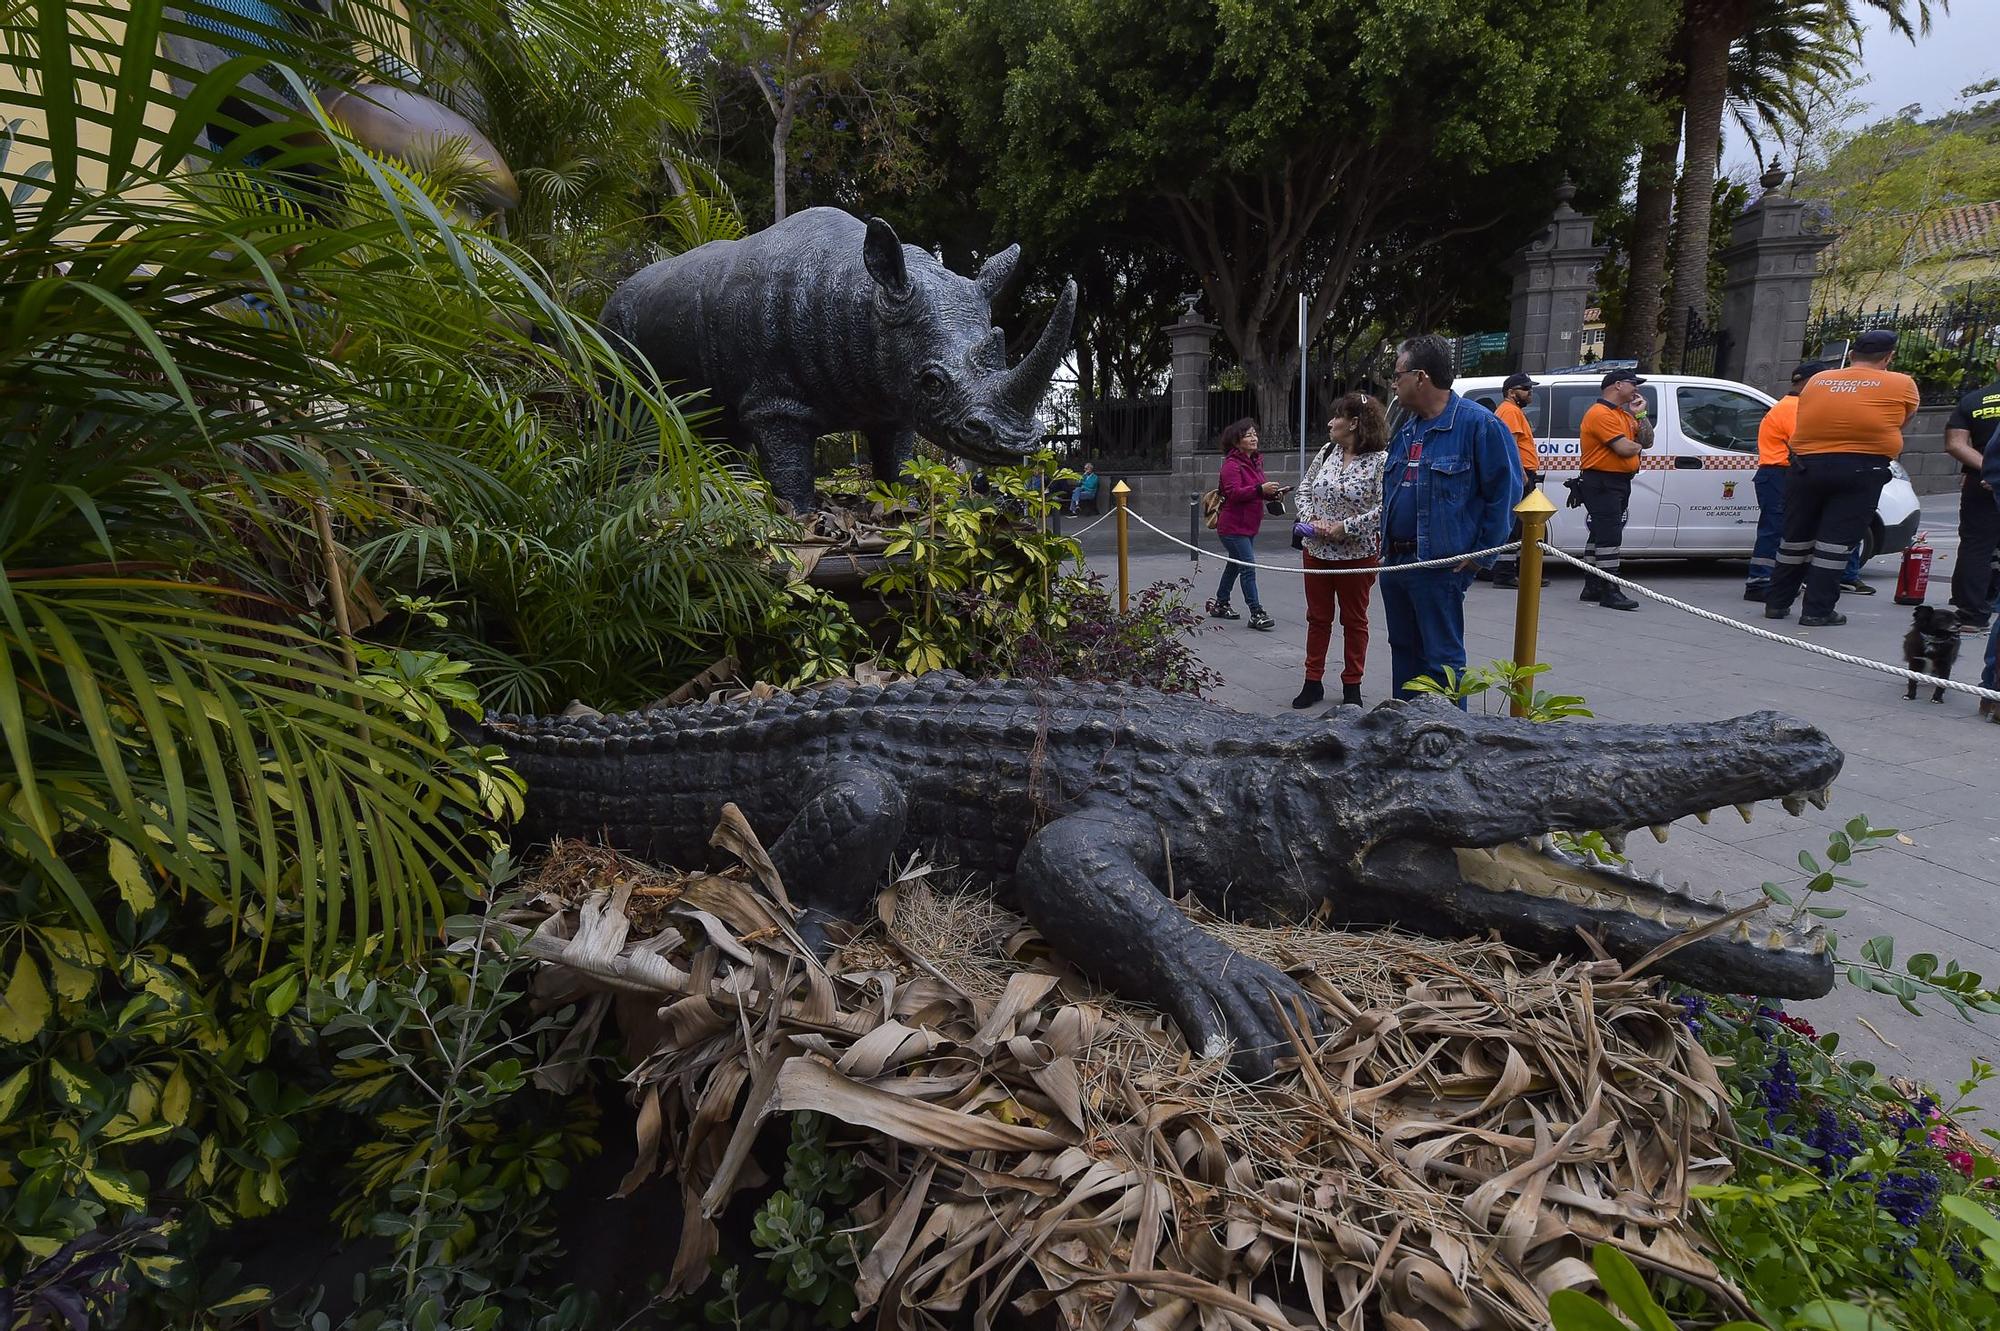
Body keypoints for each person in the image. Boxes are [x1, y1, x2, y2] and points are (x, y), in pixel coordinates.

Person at [1379, 335, 1522, 698]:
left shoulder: (1479, 426)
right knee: (1404, 654)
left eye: (1397, 374)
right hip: (1397, 564)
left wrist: (1479, 556)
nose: (1394, 383)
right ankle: (1407, 736)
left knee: (1441, 660)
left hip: (1439, 568)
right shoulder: (1406, 428)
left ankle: (1448, 742)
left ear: (1421, 377)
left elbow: (1505, 493)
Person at [1765, 329, 1919, 627]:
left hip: (1806, 466)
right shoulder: (1902, 383)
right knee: (1835, 545)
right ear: (1889, 357)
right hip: (1861, 469)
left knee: (1794, 539)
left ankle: (1777, 603)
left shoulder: (1819, 380)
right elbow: (1902, 420)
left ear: (1851, 355)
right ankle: (1817, 611)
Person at [1292, 392, 1388, 710]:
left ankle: (1352, 686)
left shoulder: (1380, 461)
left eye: (1337, 417)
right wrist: (1311, 519)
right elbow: (1305, 487)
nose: (1331, 423)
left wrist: (1345, 527)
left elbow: (1383, 508)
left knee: (1354, 620)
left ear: (1355, 423)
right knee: (1317, 618)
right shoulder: (1328, 451)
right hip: (1316, 550)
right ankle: (1312, 681)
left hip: (1357, 554)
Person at [1745, 361, 1823, 602]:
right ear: (1810, 382)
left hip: (1778, 473)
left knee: (1779, 528)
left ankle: (1768, 580)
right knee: (1775, 529)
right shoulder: (1795, 408)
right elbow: (1804, 443)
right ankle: (1760, 582)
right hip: (1779, 473)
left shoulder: (1790, 406)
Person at [1572, 369, 1649, 612]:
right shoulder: (1599, 413)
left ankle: (1592, 585)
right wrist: (1636, 447)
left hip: (1616, 481)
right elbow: (1625, 448)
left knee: (1599, 534)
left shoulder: (1625, 415)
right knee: (1610, 535)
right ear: (1617, 385)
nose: (1637, 388)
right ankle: (1609, 588)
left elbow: (1647, 440)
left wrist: (1642, 415)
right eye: (1633, 383)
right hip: (1603, 481)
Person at [1208, 418, 1285, 631]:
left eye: (1255, 434)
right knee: (1248, 567)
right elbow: (1233, 494)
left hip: (1249, 526)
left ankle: (1221, 604)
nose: (1254, 438)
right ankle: (1256, 612)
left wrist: (1272, 494)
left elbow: (1257, 491)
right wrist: (1261, 490)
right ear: (1236, 440)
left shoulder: (1255, 462)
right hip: (1233, 528)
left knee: (1234, 565)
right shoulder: (1231, 465)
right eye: (1248, 435)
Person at [1943, 376, 2000, 634]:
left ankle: (1971, 615)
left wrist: (1988, 470)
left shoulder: (1975, 399)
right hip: (1988, 478)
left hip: (1982, 481)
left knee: (1975, 546)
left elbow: (1955, 443)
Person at [1490, 373, 1541, 590]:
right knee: (1515, 524)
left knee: (1522, 525)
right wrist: (1519, 473)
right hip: (1521, 474)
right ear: (1512, 392)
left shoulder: (1513, 411)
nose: (1530, 393)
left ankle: (1520, 571)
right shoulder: (1510, 411)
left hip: (1524, 473)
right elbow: (1510, 445)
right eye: (1526, 388)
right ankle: (1504, 573)